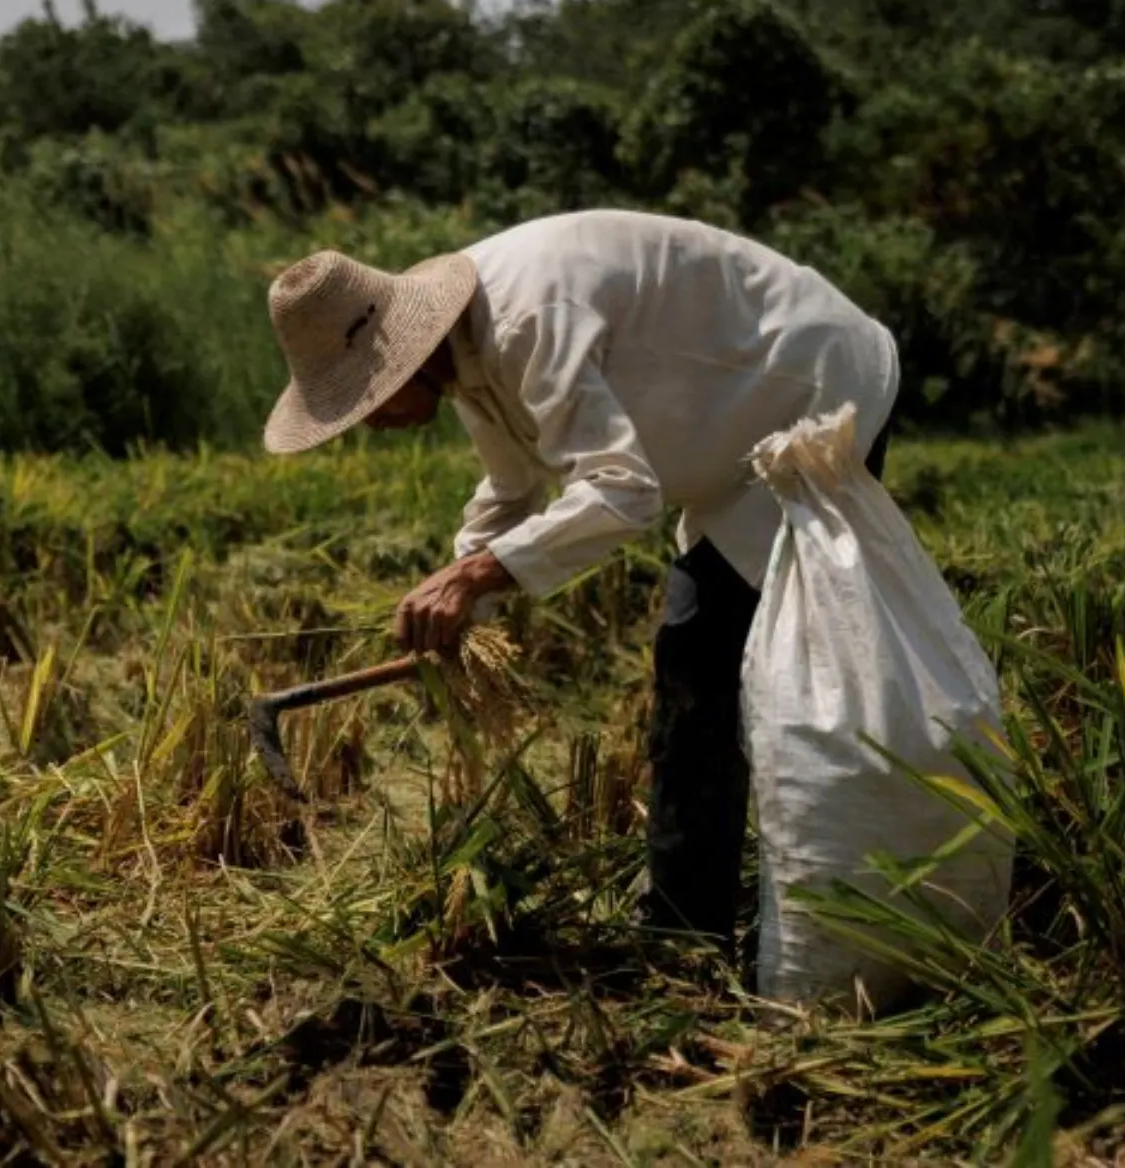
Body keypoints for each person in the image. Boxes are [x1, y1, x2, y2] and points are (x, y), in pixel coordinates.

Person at [260, 207, 899, 943]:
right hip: (729, 443)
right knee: (706, 662)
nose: (367, 424)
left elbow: (623, 495)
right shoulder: (466, 351)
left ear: (396, 360)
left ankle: (700, 930)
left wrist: (475, 578)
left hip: (814, 391)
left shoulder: (526, 322)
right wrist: (468, 597)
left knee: (716, 664)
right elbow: (510, 491)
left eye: (361, 402)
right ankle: (695, 919)